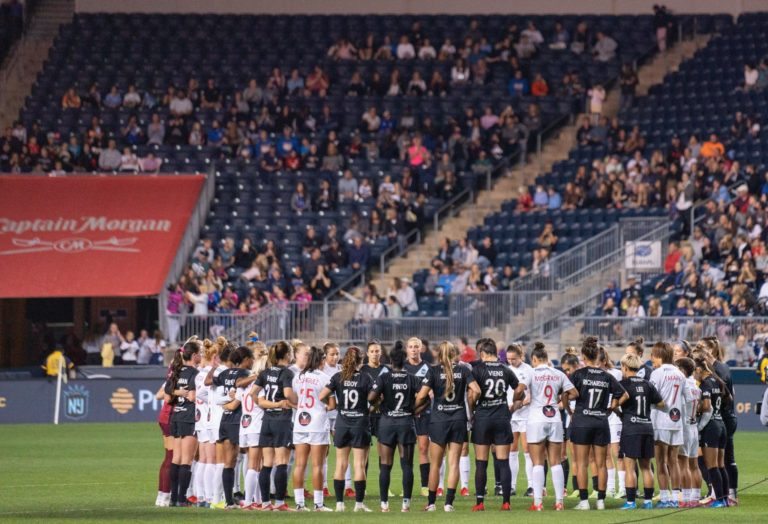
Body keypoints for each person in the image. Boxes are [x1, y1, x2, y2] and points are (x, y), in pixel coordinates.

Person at [415, 341, 480, 512]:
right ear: (454, 353)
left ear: (439, 354)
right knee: (454, 463)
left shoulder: (434, 371)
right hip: (458, 420)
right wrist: (470, 405)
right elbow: (477, 390)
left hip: (438, 421)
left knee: (435, 464)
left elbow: (421, 395)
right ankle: (449, 504)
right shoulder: (463, 370)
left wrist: (418, 405)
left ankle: (431, 503)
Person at [569, 336, 627, 511]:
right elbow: (624, 395)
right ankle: (601, 501)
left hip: (582, 421)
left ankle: (585, 502)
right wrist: (610, 408)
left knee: (581, 463)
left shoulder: (578, 374)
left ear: (584, 357)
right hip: (601, 422)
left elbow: (566, 393)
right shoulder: (606, 376)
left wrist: (568, 408)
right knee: (602, 463)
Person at [519, 342, 577, 512]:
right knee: (556, 462)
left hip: (536, 418)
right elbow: (574, 393)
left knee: (537, 462)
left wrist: (520, 398)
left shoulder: (531, 373)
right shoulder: (558, 373)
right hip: (554, 419)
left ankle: (537, 503)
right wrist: (560, 398)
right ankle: (559, 502)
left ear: (534, 359)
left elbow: (519, 390)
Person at [469, 338, 525, 511]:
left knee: (481, 462)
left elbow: (472, 395)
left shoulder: (477, 369)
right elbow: (520, 389)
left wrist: (471, 412)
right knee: (503, 461)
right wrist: (514, 406)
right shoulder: (505, 369)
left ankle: (479, 503)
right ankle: (506, 502)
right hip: (501, 417)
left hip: (483, 417)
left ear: (483, 353)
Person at [368, 341, 421, 513]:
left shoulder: (384, 377)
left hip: (387, 424)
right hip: (406, 423)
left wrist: (379, 402)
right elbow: (426, 397)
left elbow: (370, 398)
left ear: (390, 362)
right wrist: (415, 410)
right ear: (404, 361)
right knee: (407, 465)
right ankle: (406, 504)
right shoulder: (412, 379)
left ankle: (384, 504)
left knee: (385, 464)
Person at [320, 346, 375, 512]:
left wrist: (335, 405)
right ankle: (358, 504)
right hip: (360, 423)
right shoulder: (366, 377)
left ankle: (339, 504)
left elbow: (322, 395)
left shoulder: (338, 376)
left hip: (342, 423)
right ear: (361, 360)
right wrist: (368, 409)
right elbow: (375, 399)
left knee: (340, 464)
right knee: (359, 465)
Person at [208, 346, 257, 509]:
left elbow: (212, 389)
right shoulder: (246, 374)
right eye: (252, 359)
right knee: (250, 458)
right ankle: (253, 499)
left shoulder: (224, 373)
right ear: (246, 359)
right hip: (240, 420)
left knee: (228, 462)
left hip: (225, 419)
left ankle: (229, 501)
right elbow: (242, 389)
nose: (253, 362)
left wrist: (228, 404)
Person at [617, 353, 666, 510]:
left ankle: (630, 502)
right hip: (647, 427)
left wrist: (620, 413)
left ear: (625, 367)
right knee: (646, 466)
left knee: (629, 466)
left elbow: (616, 404)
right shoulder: (648, 384)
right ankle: (648, 501)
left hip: (631, 427)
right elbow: (661, 403)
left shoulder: (623, 384)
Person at [290, 346, 334, 511]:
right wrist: (322, 408)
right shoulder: (324, 378)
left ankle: (299, 504)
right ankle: (318, 503)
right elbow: (331, 405)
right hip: (317, 424)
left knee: (300, 465)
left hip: (300, 423)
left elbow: (294, 398)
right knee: (317, 465)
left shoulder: (298, 377)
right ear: (322, 360)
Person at [253, 341, 296, 511]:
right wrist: (297, 401)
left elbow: (252, 393)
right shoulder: (287, 373)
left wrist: (266, 405)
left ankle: (265, 503)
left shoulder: (265, 372)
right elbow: (287, 394)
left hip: (267, 420)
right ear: (286, 355)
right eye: (291, 351)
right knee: (282, 462)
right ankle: (279, 503)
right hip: (282, 421)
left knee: (267, 463)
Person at [649, 341, 690, 508]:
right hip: (677, 421)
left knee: (660, 462)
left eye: (652, 354)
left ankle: (665, 498)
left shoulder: (657, 374)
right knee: (674, 462)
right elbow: (687, 398)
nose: (651, 358)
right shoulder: (680, 374)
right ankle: (675, 497)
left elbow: (652, 397)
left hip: (660, 421)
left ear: (659, 355)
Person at [165, 338, 202, 506]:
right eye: (200, 353)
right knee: (187, 460)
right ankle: (181, 498)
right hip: (188, 417)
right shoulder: (195, 374)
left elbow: (167, 397)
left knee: (176, 458)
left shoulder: (176, 371)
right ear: (194, 356)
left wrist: (179, 392)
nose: (201, 356)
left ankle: (173, 498)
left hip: (176, 417)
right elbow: (193, 397)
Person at [694, 356, 731, 508]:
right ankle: (725, 499)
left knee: (712, 466)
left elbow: (707, 406)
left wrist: (697, 409)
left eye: (694, 373)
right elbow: (729, 398)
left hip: (711, 427)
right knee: (721, 465)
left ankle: (719, 500)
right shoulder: (718, 381)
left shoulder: (705, 384)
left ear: (698, 370)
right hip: (721, 424)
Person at [239, 341, 268, 510]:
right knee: (255, 465)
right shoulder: (260, 384)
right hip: (257, 426)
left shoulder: (245, 383)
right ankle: (249, 501)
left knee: (252, 463)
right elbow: (261, 402)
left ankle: (256, 499)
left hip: (245, 425)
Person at [403, 337, 432, 496]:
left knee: (422, 449)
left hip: (424, 414)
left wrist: (420, 406)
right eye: (411, 347)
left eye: (416, 347)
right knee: (406, 451)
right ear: (406, 349)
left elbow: (431, 393)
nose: (413, 350)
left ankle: (424, 486)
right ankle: (405, 486)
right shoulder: (402, 368)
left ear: (421, 349)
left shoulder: (428, 367)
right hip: (406, 414)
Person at [193, 339, 219, 508]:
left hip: (201, 419)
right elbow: (204, 394)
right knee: (211, 460)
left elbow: (199, 395)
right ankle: (210, 497)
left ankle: (200, 495)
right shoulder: (212, 374)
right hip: (210, 419)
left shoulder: (200, 373)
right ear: (215, 357)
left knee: (203, 459)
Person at [675, 357, 703, 508]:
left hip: (685, 426)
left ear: (682, 370)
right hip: (694, 426)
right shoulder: (695, 385)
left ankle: (685, 499)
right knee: (694, 465)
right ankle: (695, 498)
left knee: (683, 464)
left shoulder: (683, 384)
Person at [360, 340, 390, 477]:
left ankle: (384, 484)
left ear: (381, 353)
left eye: (377, 351)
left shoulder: (387, 370)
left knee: (383, 452)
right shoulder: (361, 370)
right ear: (367, 353)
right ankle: (363, 485)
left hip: (382, 415)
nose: (374, 354)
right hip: (365, 415)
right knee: (363, 451)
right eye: (372, 351)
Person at [507, 344, 533, 498]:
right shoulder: (506, 369)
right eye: (509, 359)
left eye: (514, 359)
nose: (511, 362)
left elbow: (530, 394)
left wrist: (521, 404)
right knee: (512, 450)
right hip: (511, 415)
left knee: (527, 450)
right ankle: (511, 486)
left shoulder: (528, 370)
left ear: (521, 356)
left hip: (525, 414)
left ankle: (531, 486)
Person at [600, 347, 625, 499]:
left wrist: (614, 406)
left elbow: (623, 393)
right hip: (602, 417)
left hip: (615, 416)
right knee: (605, 454)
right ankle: (610, 488)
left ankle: (622, 488)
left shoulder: (616, 373)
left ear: (604, 361)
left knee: (618, 454)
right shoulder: (595, 374)